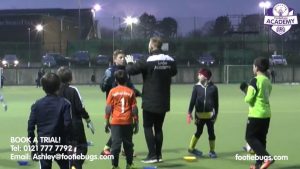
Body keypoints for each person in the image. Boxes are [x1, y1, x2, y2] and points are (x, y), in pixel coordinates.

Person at [125, 37, 177, 163]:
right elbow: (173, 72)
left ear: (152, 46)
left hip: (150, 100)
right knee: (158, 128)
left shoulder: (147, 59)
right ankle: (158, 155)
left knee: (147, 126)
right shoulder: (170, 60)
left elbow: (130, 71)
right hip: (164, 100)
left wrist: (130, 62)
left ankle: (152, 155)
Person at [100, 49, 141, 156]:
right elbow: (103, 88)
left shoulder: (126, 71)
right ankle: (107, 148)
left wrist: (139, 94)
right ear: (114, 59)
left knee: (122, 127)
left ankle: (123, 149)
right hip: (114, 105)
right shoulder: (110, 71)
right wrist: (106, 80)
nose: (123, 60)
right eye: (120, 58)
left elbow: (130, 87)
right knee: (119, 127)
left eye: (124, 57)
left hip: (125, 104)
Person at [27, 72, 72, 169]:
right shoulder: (65, 104)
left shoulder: (36, 105)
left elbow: (30, 128)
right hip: (60, 144)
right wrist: (70, 145)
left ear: (43, 87)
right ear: (59, 86)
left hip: (44, 145)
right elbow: (68, 125)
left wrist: (33, 147)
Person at [57, 66, 95, 169]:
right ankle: (74, 166)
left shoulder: (55, 92)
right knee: (81, 148)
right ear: (70, 78)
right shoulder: (73, 90)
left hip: (60, 126)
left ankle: (70, 165)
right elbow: (80, 108)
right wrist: (88, 120)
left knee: (65, 149)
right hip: (75, 125)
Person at [105, 69, 139, 169]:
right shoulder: (131, 92)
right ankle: (129, 164)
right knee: (128, 145)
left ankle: (115, 166)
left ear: (115, 80)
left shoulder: (112, 91)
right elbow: (134, 108)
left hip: (116, 122)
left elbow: (108, 108)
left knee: (115, 145)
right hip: (128, 122)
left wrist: (107, 122)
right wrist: (136, 122)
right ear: (127, 79)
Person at [244, 57, 273, 169]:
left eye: (253, 66)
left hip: (256, 114)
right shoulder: (267, 81)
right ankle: (259, 165)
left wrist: (246, 93)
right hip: (266, 114)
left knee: (250, 137)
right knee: (261, 139)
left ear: (256, 67)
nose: (253, 68)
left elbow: (248, 99)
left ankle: (267, 158)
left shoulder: (254, 80)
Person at [186, 68, 219, 158]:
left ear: (205, 76)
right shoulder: (196, 87)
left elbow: (216, 103)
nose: (198, 75)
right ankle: (191, 148)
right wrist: (189, 112)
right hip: (199, 116)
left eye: (200, 74)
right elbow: (192, 101)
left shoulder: (214, 88)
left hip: (210, 116)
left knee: (211, 133)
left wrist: (216, 115)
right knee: (198, 132)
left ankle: (212, 151)